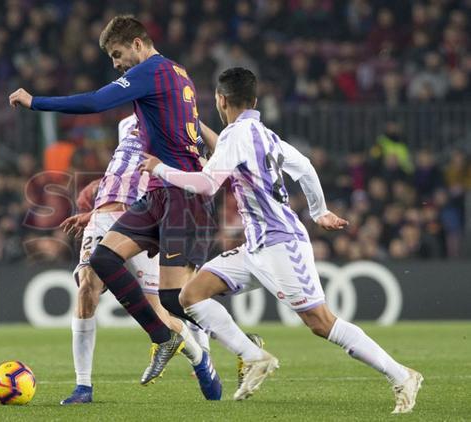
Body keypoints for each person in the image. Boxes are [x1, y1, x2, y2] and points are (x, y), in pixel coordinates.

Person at [139, 67, 423, 413]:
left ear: (220, 100)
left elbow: (207, 185)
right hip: (256, 247)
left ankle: (402, 375)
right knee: (191, 294)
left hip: (281, 244)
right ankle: (253, 356)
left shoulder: (235, 136)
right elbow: (303, 166)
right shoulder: (264, 135)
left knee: (321, 323)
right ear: (254, 101)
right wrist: (319, 211)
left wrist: (158, 169)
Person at [9, 15, 220, 388]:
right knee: (92, 279)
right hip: (136, 207)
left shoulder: (155, 78)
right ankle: (85, 384)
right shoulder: (161, 90)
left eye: (118, 54)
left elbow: (95, 101)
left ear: (138, 44)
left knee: (170, 303)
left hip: (163, 205)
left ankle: (211, 351)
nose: (116, 64)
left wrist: (34, 101)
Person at [59, 115, 258, 403]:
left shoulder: (183, 123)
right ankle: (83, 387)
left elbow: (221, 154)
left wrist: (197, 121)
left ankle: (202, 357)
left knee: (163, 311)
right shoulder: (126, 123)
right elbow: (126, 170)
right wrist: (94, 211)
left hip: (147, 216)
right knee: (87, 288)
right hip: (104, 215)